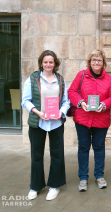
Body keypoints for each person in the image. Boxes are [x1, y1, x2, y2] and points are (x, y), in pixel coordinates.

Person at [21, 50, 70, 201]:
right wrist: (37, 112)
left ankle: (54, 185)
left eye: (51, 62)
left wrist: (61, 112)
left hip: (56, 123)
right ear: (41, 63)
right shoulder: (33, 79)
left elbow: (66, 102)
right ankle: (35, 186)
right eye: (45, 62)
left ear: (55, 64)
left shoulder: (60, 80)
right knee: (36, 155)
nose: (48, 64)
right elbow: (25, 100)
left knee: (57, 154)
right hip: (38, 122)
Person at [68, 50, 111, 192]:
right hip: (83, 118)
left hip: (101, 119)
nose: (96, 62)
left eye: (99, 60)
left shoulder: (108, 79)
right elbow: (72, 92)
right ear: (89, 62)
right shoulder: (81, 75)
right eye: (94, 60)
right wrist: (81, 102)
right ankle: (83, 178)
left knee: (99, 147)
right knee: (83, 148)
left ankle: (99, 176)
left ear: (104, 63)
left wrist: (104, 105)